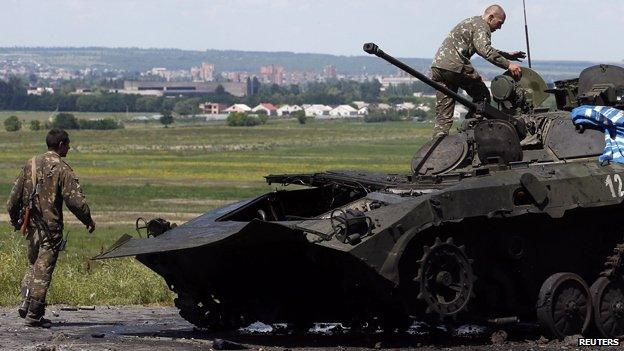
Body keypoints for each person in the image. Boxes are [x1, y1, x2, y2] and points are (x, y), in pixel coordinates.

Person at [6, 128, 96, 328]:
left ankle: (25, 302)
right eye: (68, 144)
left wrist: (16, 222)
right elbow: (75, 202)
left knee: (33, 266)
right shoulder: (62, 169)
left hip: (31, 227)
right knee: (43, 270)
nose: (70, 148)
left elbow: (12, 200)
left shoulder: (30, 164)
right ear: (61, 145)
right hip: (50, 229)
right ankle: (34, 315)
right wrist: (88, 220)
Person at [430, 4, 525, 138]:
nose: (500, 27)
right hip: (455, 65)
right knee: (482, 96)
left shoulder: (473, 23)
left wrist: (506, 55)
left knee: (444, 113)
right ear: (491, 17)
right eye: (499, 23)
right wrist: (509, 64)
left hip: (439, 67)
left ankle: (438, 140)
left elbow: (480, 45)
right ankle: (470, 132)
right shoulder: (482, 25)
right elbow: (484, 50)